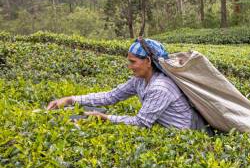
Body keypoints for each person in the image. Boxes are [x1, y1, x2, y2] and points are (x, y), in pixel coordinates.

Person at [46, 38, 209, 131]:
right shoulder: (139, 81)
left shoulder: (160, 87)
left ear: (148, 61)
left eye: (133, 62)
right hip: (166, 130)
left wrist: (104, 118)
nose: (129, 66)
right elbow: (111, 96)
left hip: (187, 134)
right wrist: (69, 100)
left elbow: (141, 123)